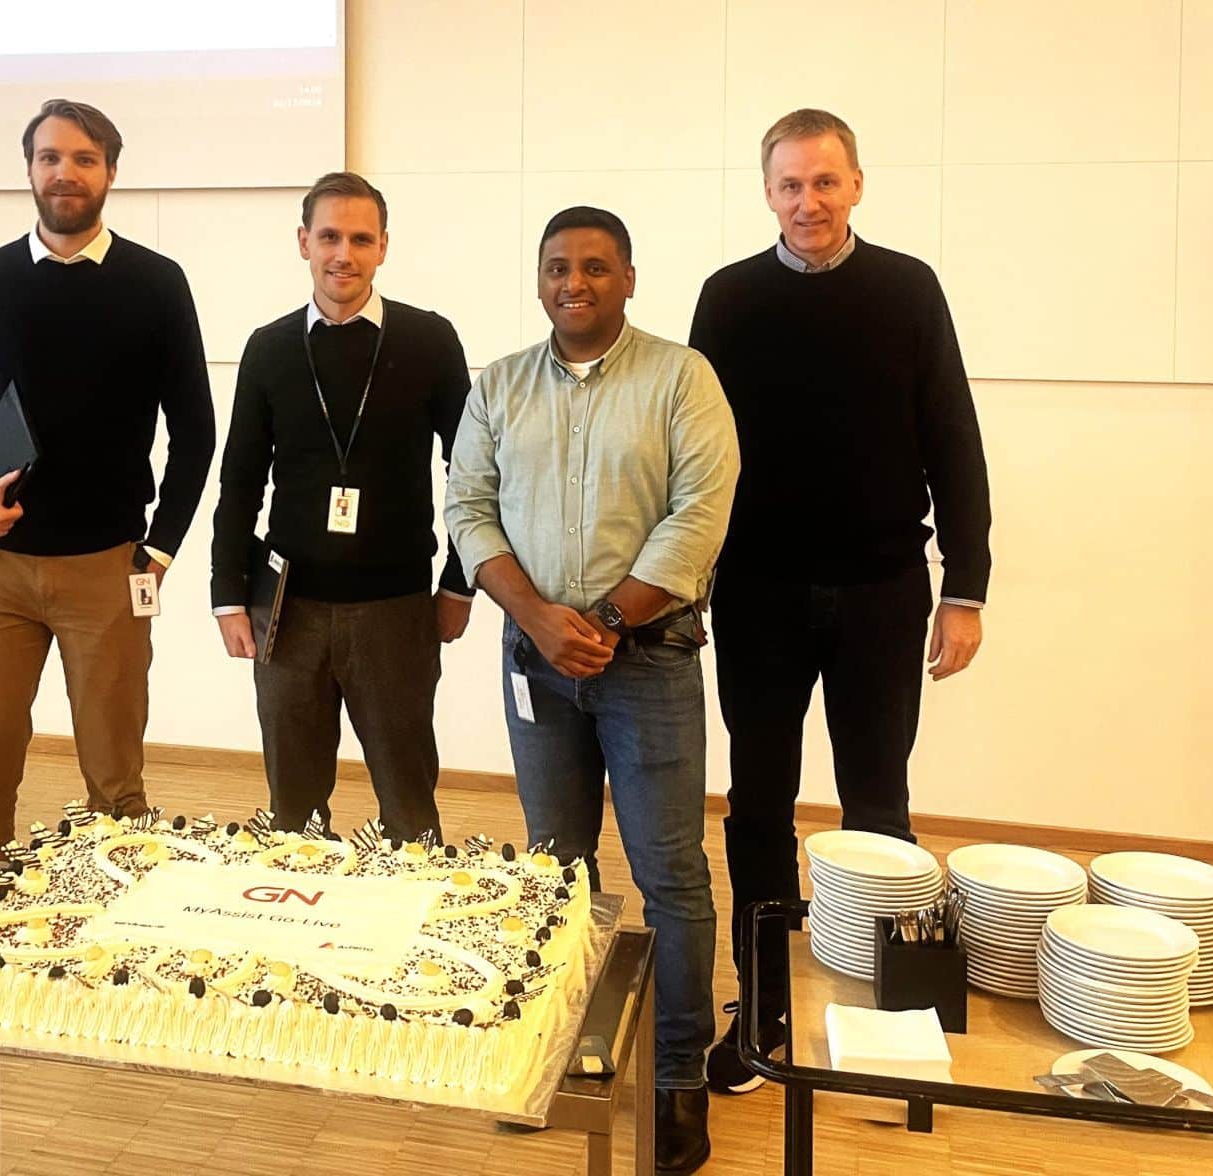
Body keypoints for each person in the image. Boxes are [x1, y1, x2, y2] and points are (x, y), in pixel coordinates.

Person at [688, 108, 992, 1094]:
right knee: (758, 806)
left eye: (824, 182)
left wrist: (967, 586)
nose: (806, 202)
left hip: (882, 593)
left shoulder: (907, 290)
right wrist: (687, 578)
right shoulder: (726, 300)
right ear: (765, 191)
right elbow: (692, 457)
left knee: (876, 807)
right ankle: (761, 1015)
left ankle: (889, 1020)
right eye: (788, 185)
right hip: (757, 593)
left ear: (855, 184)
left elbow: (952, 437)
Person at [446, 206, 738, 1176]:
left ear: (626, 278)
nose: (575, 282)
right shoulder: (495, 386)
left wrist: (605, 621)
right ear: (537, 280)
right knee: (555, 867)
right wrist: (535, 617)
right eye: (557, 267)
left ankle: (673, 1073)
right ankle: (562, 1051)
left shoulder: (680, 378)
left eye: (595, 267)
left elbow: (700, 510)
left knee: (670, 874)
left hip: (645, 659)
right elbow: (467, 507)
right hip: (533, 659)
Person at [0, 98, 216, 880]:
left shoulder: (157, 284)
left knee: (117, 785)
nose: (65, 172)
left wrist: (161, 551)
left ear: (111, 172)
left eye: (84, 158)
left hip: (107, 571)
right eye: (50, 157)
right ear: (28, 171)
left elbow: (195, 431)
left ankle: (120, 933)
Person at [209, 171, 474, 840]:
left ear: (383, 247)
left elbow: (474, 471)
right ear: (303, 242)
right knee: (292, 812)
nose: (343, 255)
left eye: (361, 239)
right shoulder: (269, 349)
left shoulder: (429, 341)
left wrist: (460, 584)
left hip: (396, 608)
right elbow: (240, 478)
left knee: (410, 810)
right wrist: (227, 594)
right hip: (287, 609)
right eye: (329, 236)